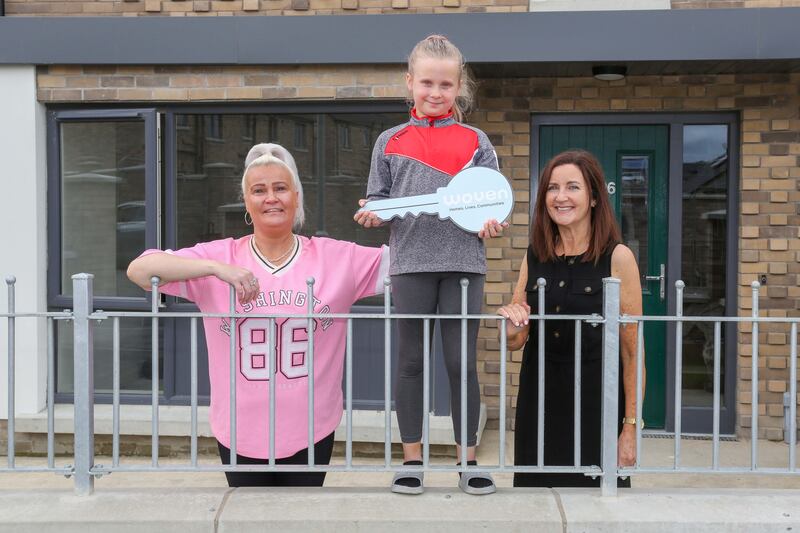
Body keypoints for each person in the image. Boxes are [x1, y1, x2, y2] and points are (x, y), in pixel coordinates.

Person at [128, 143, 389, 487]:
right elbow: (140, 270)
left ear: (296, 197)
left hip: (310, 425)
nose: (271, 198)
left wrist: (451, 218)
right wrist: (215, 268)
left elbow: (409, 265)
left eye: (280, 188)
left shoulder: (335, 257)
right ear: (247, 203)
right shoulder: (218, 256)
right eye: (259, 190)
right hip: (239, 428)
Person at [354, 34, 506, 496]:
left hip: (464, 264)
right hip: (410, 264)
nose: (435, 92)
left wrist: (489, 223)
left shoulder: (476, 142)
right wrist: (372, 212)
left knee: (461, 363)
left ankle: (469, 462)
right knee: (411, 362)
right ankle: (412, 462)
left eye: (445, 84)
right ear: (410, 83)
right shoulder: (389, 141)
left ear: (459, 86)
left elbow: (491, 202)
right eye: (426, 83)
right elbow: (377, 200)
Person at [496, 149, 645, 488]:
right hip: (540, 403)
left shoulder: (617, 257)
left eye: (572, 187)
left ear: (593, 197)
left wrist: (630, 426)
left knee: (598, 511)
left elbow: (633, 352)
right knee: (535, 506)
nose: (560, 197)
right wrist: (512, 327)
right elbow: (516, 342)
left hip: (597, 404)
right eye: (552, 188)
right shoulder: (535, 255)